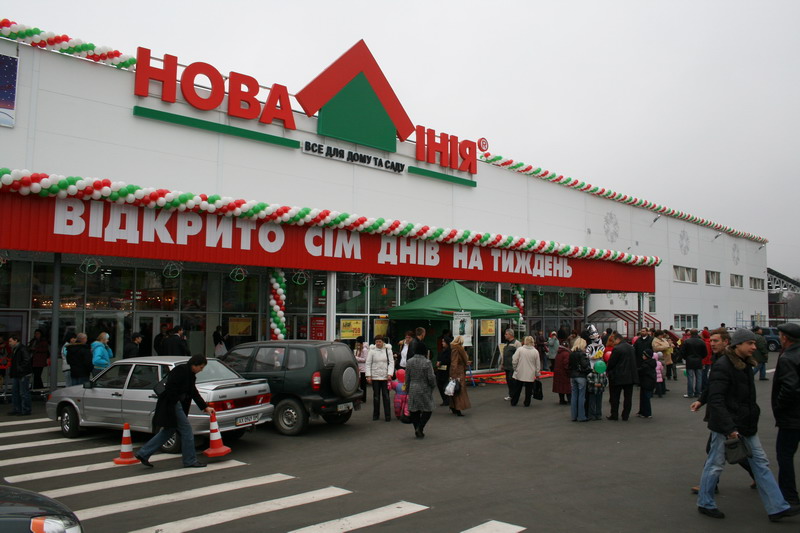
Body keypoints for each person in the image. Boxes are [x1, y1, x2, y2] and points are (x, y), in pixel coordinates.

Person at [696, 328, 800, 521]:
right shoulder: (724, 365)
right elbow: (717, 399)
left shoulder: (744, 364)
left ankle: (777, 507)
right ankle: (705, 503)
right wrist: (729, 428)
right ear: (738, 345)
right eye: (750, 343)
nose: (754, 347)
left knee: (761, 464)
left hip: (746, 424)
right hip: (728, 426)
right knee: (715, 465)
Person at [135, 354, 215, 468]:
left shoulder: (190, 374)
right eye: (201, 367)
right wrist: (176, 402)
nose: (201, 370)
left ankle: (143, 453)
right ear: (194, 364)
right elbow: (171, 388)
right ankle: (190, 460)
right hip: (173, 405)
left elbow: (193, 392)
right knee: (187, 430)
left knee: (168, 431)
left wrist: (205, 407)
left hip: (175, 404)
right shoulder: (180, 370)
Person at [772, 323, 800, 506]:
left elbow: (790, 388)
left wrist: (779, 407)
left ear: (785, 338)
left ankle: (789, 495)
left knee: (784, 455)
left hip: (792, 417)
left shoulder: (787, 358)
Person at [405, 340, 436, 439]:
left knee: (414, 410)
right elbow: (431, 377)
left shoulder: (409, 362)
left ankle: (417, 428)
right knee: (428, 408)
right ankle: (420, 428)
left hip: (413, 387)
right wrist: (432, 386)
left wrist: (407, 388)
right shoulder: (427, 362)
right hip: (424, 388)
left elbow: (407, 377)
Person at [606, 332, 638, 421]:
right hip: (629, 376)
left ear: (617, 339)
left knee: (615, 397)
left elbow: (612, 362)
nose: (613, 343)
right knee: (628, 398)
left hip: (618, 376)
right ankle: (625, 415)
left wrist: (608, 370)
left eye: (614, 341)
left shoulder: (617, 349)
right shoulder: (631, 348)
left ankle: (614, 415)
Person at [366, 335, 394, 422]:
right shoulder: (372, 351)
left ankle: (387, 416)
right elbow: (368, 363)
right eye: (376, 342)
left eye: (380, 341)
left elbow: (391, 362)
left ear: (383, 342)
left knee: (386, 396)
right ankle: (376, 415)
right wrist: (368, 376)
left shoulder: (388, 350)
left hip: (385, 376)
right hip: (375, 376)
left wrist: (390, 374)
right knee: (376, 396)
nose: (378, 343)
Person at [510, 336, 540, 407]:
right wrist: (537, 374)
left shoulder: (520, 350)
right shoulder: (535, 351)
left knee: (517, 388)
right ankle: (527, 402)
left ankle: (514, 401)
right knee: (529, 389)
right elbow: (537, 364)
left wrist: (515, 368)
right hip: (530, 373)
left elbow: (514, 360)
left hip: (520, 371)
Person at [7, 335, 32, 416]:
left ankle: (25, 409)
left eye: (10, 341)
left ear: (16, 340)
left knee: (23, 392)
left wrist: (20, 369)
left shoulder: (21, 349)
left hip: (22, 374)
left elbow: (27, 360)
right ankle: (18, 409)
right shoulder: (17, 349)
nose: (9, 343)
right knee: (16, 392)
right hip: (18, 373)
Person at [448, 335, 471, 415]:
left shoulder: (454, 349)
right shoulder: (458, 349)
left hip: (457, 372)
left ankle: (453, 407)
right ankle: (458, 408)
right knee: (459, 390)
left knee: (454, 390)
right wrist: (453, 374)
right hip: (458, 372)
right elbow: (454, 362)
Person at [568, 338, 590, 422]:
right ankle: (581, 416)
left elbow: (569, 365)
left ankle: (574, 416)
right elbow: (585, 365)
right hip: (581, 376)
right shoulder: (582, 354)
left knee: (574, 396)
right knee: (581, 397)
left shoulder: (571, 354)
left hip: (573, 376)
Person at [681, 329, 706, 398]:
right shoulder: (701, 341)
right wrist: (700, 357)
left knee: (690, 378)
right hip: (698, 361)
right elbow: (705, 353)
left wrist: (686, 357)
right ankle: (697, 393)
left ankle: (690, 393)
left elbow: (683, 352)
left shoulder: (687, 341)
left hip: (689, 361)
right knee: (699, 378)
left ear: (690, 333)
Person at [499, 329, 521, 401]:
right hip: (507, 366)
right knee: (508, 381)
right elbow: (503, 355)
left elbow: (520, 354)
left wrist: (518, 365)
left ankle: (514, 395)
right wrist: (502, 364)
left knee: (512, 381)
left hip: (513, 366)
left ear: (510, 335)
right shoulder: (506, 344)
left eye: (506, 334)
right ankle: (511, 395)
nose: (505, 335)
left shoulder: (517, 343)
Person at [636, 350, 656, 419]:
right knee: (644, 397)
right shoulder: (651, 363)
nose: (642, 356)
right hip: (649, 382)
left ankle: (647, 413)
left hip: (646, 382)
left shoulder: (646, 365)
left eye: (644, 355)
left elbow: (640, 371)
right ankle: (642, 411)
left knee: (645, 398)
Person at [436, 330, 453, 407]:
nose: (442, 343)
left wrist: (441, 362)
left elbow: (448, 360)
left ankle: (447, 400)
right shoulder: (443, 350)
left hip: (446, 371)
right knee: (440, 385)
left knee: (444, 386)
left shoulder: (449, 351)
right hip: (441, 371)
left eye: (443, 342)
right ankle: (445, 400)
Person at [353, 335, 368, 403]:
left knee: (363, 385)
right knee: (359, 384)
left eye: (358, 342)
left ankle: (363, 398)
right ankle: (359, 397)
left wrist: (356, 358)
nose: (357, 343)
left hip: (363, 369)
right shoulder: (358, 349)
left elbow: (365, 359)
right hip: (359, 368)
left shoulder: (365, 350)